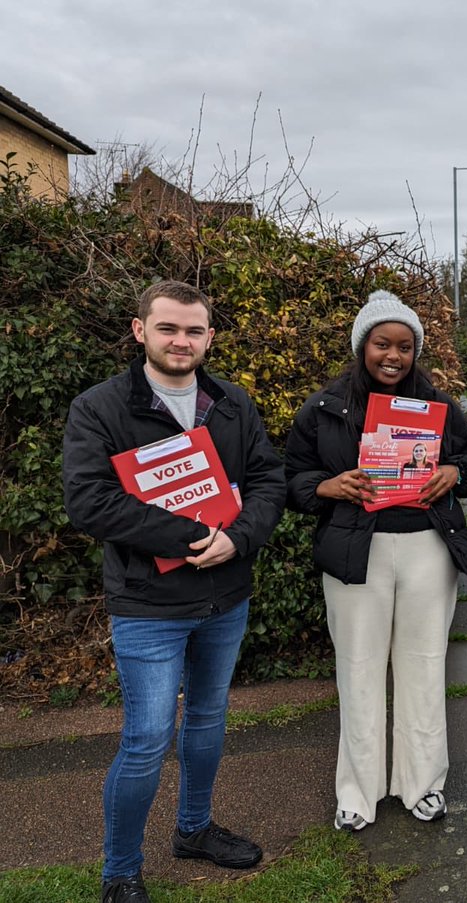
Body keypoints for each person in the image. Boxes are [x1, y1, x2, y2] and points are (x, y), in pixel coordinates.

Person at [62, 280, 286, 903]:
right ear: (141, 331)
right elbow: (89, 501)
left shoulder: (232, 403)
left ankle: (193, 830)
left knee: (209, 719)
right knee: (146, 739)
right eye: (168, 329)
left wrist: (238, 538)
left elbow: (270, 479)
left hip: (226, 595)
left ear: (209, 336)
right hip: (148, 605)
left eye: (194, 330)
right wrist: (193, 533)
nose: (181, 341)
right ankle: (120, 870)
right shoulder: (99, 408)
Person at [285, 290, 467, 831]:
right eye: (382, 344)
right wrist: (328, 485)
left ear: (416, 351)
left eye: (404, 345)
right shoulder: (323, 407)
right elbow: (290, 479)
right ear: (362, 346)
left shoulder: (439, 406)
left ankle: (423, 784)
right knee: (358, 669)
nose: (393, 355)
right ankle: (358, 791)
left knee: (424, 666)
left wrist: (457, 474)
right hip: (356, 551)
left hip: (427, 545)